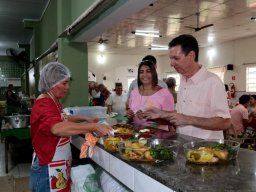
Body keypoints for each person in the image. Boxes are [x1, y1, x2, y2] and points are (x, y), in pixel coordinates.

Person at [29, 62, 112, 192]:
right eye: (64, 83)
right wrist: (93, 127)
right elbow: (57, 128)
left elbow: (63, 118)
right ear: (52, 83)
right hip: (47, 168)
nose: (68, 87)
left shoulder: (53, 100)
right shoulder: (44, 103)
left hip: (57, 166)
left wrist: (85, 118)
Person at [143, 34, 231, 139]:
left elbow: (225, 122)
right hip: (183, 143)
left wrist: (189, 119)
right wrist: (162, 114)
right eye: (171, 58)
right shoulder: (183, 79)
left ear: (191, 56)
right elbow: (182, 114)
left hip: (206, 149)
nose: (171, 63)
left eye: (176, 58)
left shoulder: (212, 82)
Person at [127, 60, 175, 131]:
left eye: (148, 71)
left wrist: (153, 117)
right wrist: (130, 115)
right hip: (137, 133)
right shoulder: (134, 92)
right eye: (141, 72)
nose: (144, 75)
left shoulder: (164, 94)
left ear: (154, 73)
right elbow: (131, 114)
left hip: (158, 134)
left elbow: (171, 119)